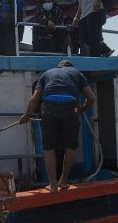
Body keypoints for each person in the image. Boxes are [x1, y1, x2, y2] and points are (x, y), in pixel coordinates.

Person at [19, 60, 96, 192]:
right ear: (70, 67)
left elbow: (35, 99)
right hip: (71, 107)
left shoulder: (46, 74)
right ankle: (63, 181)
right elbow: (91, 98)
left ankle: (53, 185)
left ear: (59, 66)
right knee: (70, 145)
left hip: (49, 107)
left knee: (49, 147)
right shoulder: (77, 73)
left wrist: (26, 116)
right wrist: (81, 109)